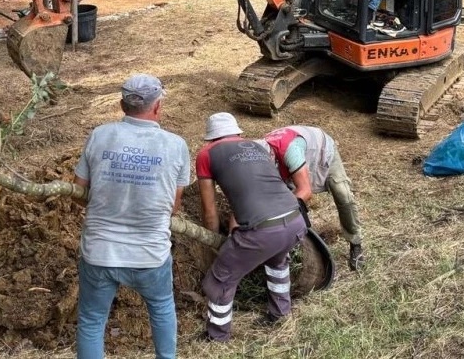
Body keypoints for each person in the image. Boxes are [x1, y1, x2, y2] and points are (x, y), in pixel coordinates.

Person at [72, 73, 190, 359]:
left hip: (99, 253)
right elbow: (173, 208)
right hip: (149, 255)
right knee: (161, 308)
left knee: (91, 321)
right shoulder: (176, 145)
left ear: (122, 105)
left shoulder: (100, 135)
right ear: (157, 106)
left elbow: (78, 192)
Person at [196, 112, 307, 342]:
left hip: (263, 230)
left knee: (221, 279)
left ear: (211, 138)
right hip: (295, 219)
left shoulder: (206, 154)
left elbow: (209, 211)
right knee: (277, 264)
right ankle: (280, 314)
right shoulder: (257, 147)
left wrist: (215, 243)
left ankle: (216, 336)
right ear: (237, 133)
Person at [261, 125, 365, 271]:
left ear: (272, 157)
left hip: (323, 151)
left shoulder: (290, 151)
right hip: (294, 159)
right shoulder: (259, 153)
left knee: (342, 193)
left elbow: (305, 191)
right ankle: (297, 241)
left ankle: (356, 243)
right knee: (286, 197)